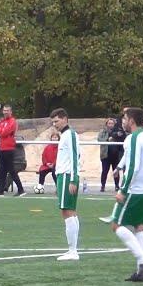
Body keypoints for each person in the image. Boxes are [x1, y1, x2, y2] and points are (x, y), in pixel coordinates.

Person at [99, 107, 143, 282]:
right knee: (140, 226)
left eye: (125, 118)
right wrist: (119, 167)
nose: (123, 121)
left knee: (116, 224)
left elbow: (133, 166)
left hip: (135, 190)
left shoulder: (135, 138)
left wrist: (123, 190)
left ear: (132, 120)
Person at [50, 108, 81, 261]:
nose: (55, 124)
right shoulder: (65, 136)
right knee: (69, 211)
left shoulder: (70, 135)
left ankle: (72, 251)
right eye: (53, 122)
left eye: (56, 121)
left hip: (68, 175)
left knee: (67, 211)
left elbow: (75, 158)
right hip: (63, 176)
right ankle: (73, 250)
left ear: (65, 119)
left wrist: (73, 179)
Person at [0, 105, 25, 197]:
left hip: (9, 149)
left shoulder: (12, 121)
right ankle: (1, 191)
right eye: (4, 110)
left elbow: (6, 131)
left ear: (11, 112)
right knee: (2, 170)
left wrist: (1, 132)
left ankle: (21, 189)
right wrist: (2, 131)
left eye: (7, 110)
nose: (5, 112)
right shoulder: (2, 121)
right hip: (2, 149)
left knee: (11, 170)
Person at [98, 117, 122, 192]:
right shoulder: (103, 131)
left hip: (115, 155)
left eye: (112, 123)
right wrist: (108, 139)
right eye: (109, 123)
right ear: (106, 124)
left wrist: (118, 135)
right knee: (105, 171)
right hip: (106, 155)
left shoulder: (117, 132)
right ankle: (103, 186)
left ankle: (117, 186)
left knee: (116, 171)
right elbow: (99, 139)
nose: (111, 125)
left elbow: (122, 139)